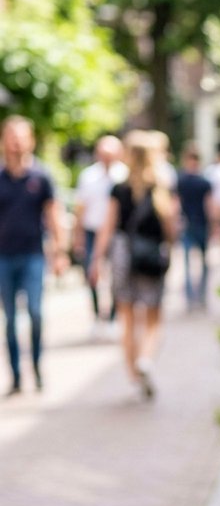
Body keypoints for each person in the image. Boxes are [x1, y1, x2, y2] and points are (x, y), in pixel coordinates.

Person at [91, 131, 178, 399]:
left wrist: (96, 260)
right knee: (153, 317)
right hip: (151, 255)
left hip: (122, 254)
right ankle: (146, 359)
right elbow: (171, 227)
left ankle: (132, 373)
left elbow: (107, 227)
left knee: (127, 319)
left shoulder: (119, 188)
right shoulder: (162, 188)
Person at [0, 115, 68, 394]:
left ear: (30, 141)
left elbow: (53, 213)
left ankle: (37, 365)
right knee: (10, 319)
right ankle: (16, 374)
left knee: (36, 313)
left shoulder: (41, 176)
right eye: (10, 136)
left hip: (33, 256)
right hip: (4, 256)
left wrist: (60, 251)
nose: (15, 143)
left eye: (20, 137)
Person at [72, 135, 127, 334]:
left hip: (116, 233)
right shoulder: (88, 176)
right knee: (91, 274)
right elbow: (80, 208)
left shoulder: (124, 175)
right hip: (91, 231)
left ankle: (113, 316)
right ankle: (96, 315)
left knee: (117, 275)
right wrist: (77, 236)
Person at [176, 145, 212, 310]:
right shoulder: (204, 181)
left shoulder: (181, 180)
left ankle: (193, 297)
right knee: (199, 262)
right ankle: (200, 296)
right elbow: (209, 205)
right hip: (198, 223)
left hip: (190, 223)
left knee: (190, 262)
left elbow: (175, 203)